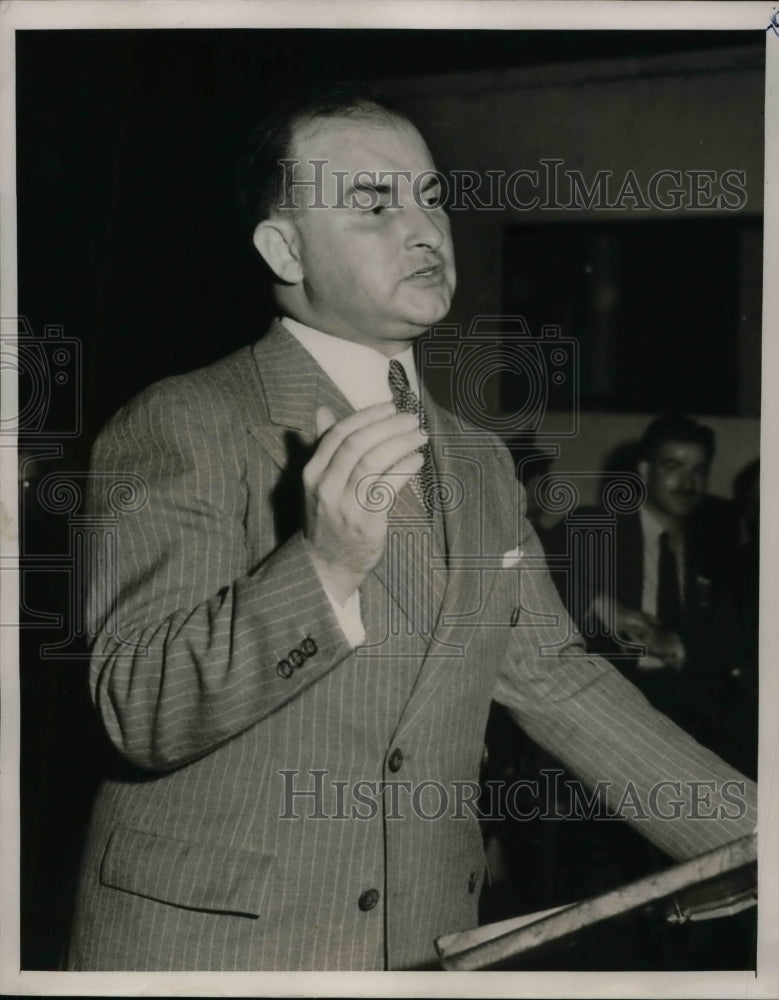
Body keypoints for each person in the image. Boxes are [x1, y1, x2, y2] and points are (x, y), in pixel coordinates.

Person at [67, 84, 756, 972]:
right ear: (284, 247)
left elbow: (551, 675)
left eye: (430, 196)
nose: (425, 229)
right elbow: (140, 709)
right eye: (372, 204)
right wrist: (322, 565)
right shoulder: (180, 420)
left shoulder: (477, 459)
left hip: (420, 944)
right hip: (216, 949)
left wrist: (748, 831)